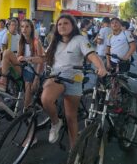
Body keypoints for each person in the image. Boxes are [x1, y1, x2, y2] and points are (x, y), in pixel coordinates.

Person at [41, 14, 107, 149]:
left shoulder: (80, 39)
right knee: (46, 99)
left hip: (74, 78)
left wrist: (101, 66)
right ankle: (55, 122)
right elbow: (44, 58)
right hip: (57, 76)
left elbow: (91, 55)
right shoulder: (55, 42)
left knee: (71, 117)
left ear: (72, 26)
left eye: (66, 23)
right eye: (59, 24)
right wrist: (29, 59)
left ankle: (74, 151)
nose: (62, 26)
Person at [0, 19, 44, 109]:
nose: (24, 29)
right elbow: (18, 58)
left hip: (33, 71)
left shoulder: (37, 42)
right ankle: (3, 82)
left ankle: (26, 112)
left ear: (31, 29)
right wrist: (5, 64)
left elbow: (40, 61)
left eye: (27, 26)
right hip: (23, 68)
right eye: (22, 26)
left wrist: (37, 78)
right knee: (7, 52)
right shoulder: (21, 40)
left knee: (27, 98)